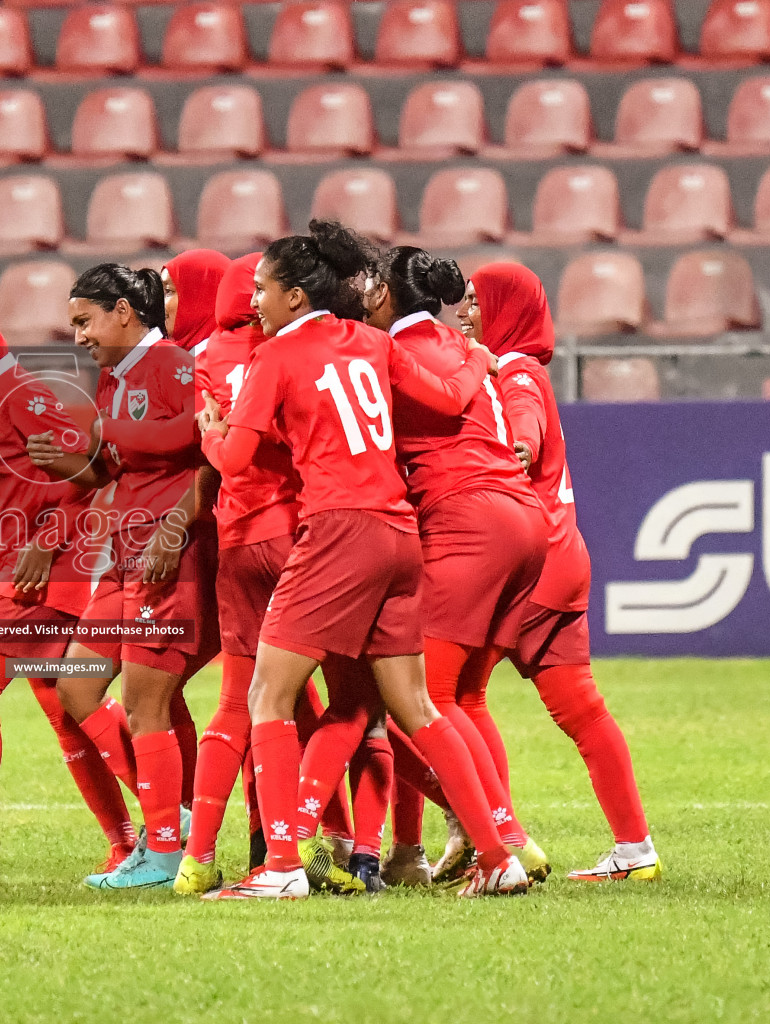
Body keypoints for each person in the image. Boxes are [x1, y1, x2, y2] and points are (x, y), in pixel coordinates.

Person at [196, 226, 532, 900]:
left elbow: (236, 461)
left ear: (294, 295)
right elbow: (448, 398)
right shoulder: (373, 343)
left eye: (262, 287)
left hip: (337, 531)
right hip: (399, 533)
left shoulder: (274, 357)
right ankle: (500, 857)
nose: (254, 300)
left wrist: (211, 433)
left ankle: (285, 866)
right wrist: (472, 356)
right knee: (415, 706)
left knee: (269, 693)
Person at [461, 263, 663, 883]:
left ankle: (504, 839)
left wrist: (511, 448)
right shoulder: (522, 369)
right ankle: (635, 849)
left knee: (448, 696)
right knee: (582, 711)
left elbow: (523, 434)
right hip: (564, 555)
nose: (464, 312)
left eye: (475, 302)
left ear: (504, 308)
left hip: (530, 567)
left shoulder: (516, 374)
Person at [0, 293, 136, 886]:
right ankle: (142, 836)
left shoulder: (26, 397)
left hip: (46, 572)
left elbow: (95, 475)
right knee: (68, 707)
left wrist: (46, 540)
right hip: (23, 572)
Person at [363, 247, 551, 887]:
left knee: (421, 701)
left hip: (465, 517)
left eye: (370, 283)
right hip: (523, 519)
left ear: (387, 296)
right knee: (465, 695)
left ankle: (497, 844)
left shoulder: (393, 351)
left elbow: (434, 406)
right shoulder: (459, 342)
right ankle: (507, 838)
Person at [175, 251, 360, 896]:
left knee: (242, 700)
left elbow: (219, 445)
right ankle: (337, 840)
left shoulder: (202, 358)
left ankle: (198, 858)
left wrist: (210, 435)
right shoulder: (292, 352)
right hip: (298, 531)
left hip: (234, 538)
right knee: (353, 699)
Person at [37, 263, 213, 890]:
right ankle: (172, 813)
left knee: (147, 702)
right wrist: (63, 457)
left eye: (84, 320)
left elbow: (208, 451)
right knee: (76, 686)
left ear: (123, 311)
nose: (78, 335)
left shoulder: (172, 363)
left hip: (169, 554)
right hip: (125, 556)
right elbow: (110, 469)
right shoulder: (115, 379)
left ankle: (164, 851)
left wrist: (174, 527)